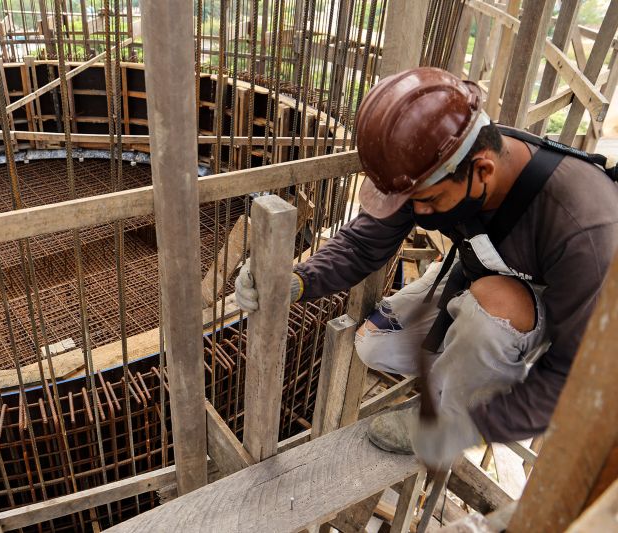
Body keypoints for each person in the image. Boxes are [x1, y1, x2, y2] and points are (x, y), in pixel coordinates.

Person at [234, 67, 618, 468]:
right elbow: (365, 242)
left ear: (483, 171)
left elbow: (576, 382)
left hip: (561, 310)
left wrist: (463, 427)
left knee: (494, 311)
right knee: (374, 343)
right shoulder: (437, 162)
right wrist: (295, 281)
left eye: (429, 201)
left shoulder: (586, 232)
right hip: (481, 266)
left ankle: (459, 404)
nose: (417, 213)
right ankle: (471, 369)